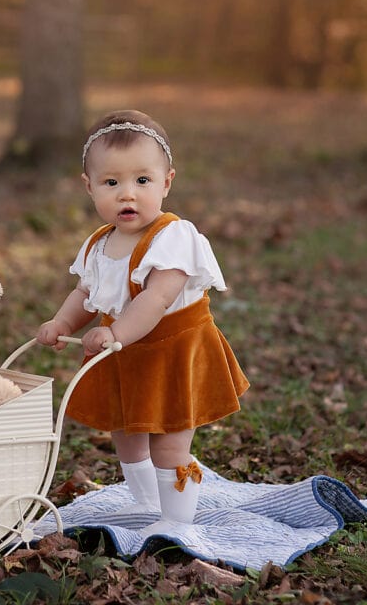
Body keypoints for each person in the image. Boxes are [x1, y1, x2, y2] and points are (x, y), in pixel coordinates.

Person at [36, 110, 249, 533]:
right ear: (89, 187)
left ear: (167, 182)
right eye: (111, 183)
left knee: (168, 439)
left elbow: (156, 298)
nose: (126, 194)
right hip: (123, 352)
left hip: (171, 350)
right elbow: (85, 294)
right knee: (127, 432)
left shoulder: (173, 237)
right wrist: (61, 323)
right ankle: (148, 502)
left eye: (142, 181)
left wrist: (115, 332)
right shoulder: (100, 243)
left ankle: (176, 519)